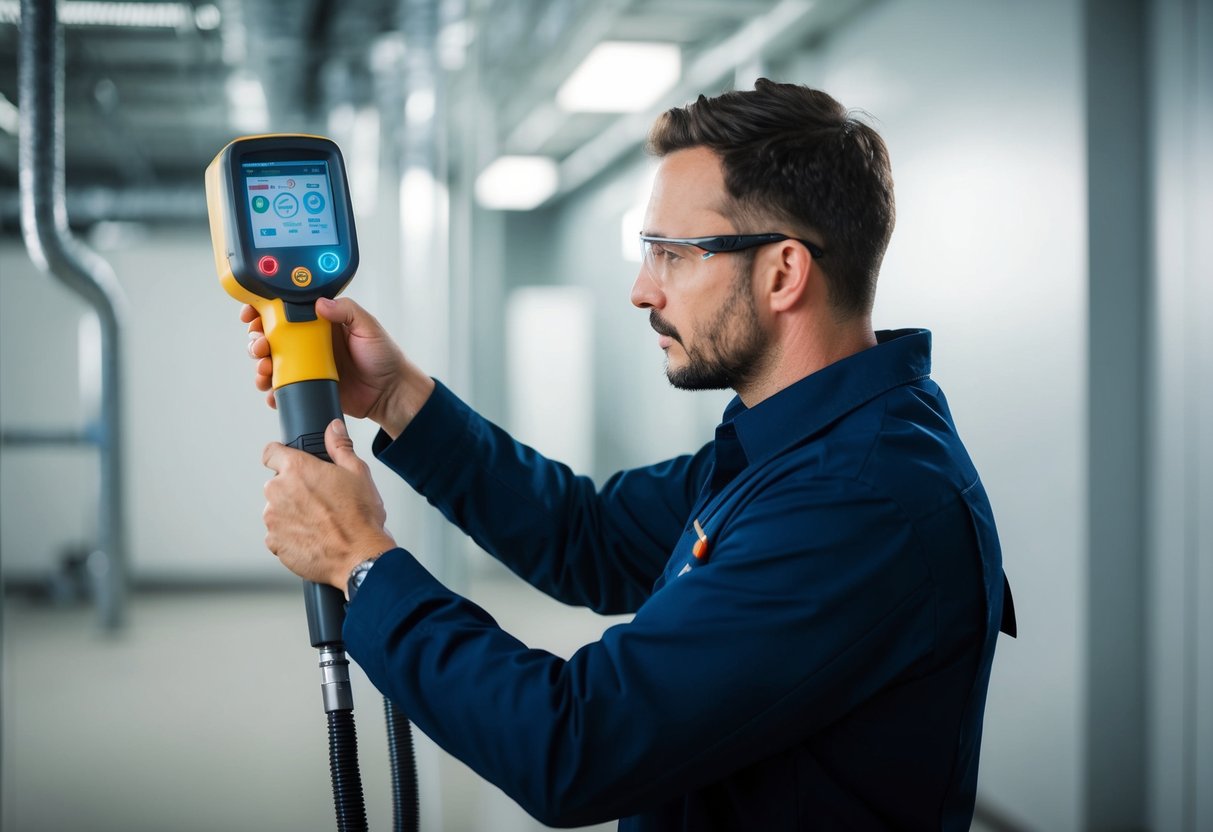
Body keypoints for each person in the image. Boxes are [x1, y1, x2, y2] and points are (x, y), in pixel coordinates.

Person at [247, 79, 1015, 831]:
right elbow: (586, 535)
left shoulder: (855, 499)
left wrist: (362, 562)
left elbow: (577, 747)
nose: (642, 291)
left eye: (673, 255)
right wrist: (396, 397)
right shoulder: (788, 444)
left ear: (783, 272)